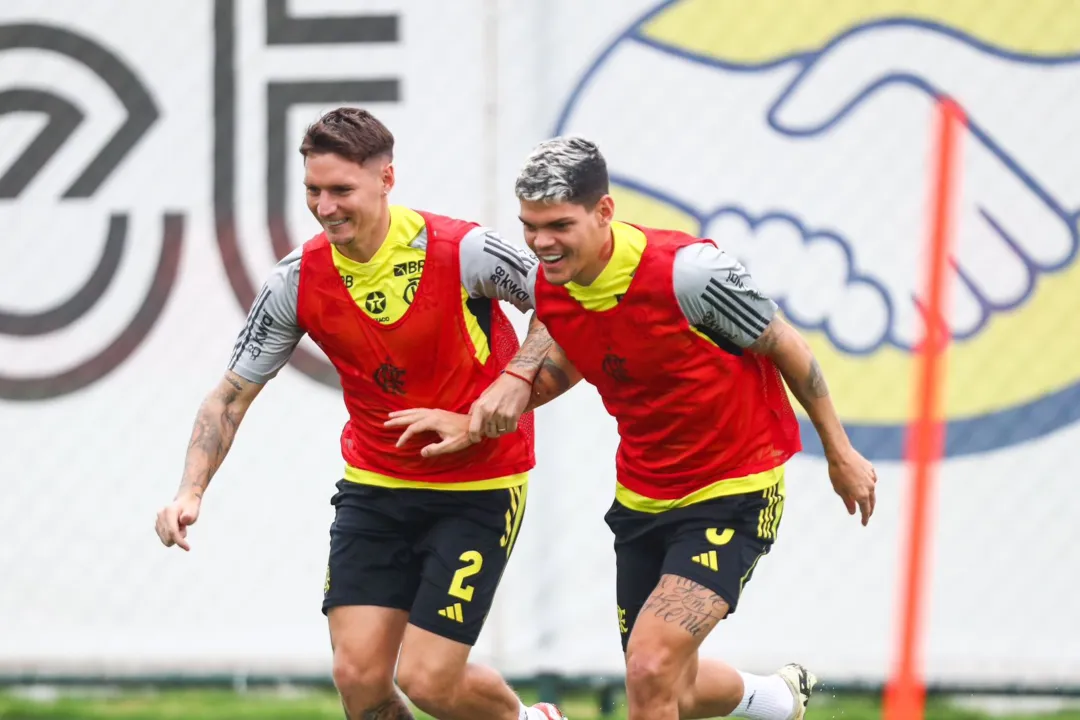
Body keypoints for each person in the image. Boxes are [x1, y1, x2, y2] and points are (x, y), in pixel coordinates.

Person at [392, 136, 878, 720]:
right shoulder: (556, 284)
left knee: (650, 668)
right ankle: (773, 700)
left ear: (603, 212)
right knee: (671, 683)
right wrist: (477, 419)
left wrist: (839, 451)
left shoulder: (690, 273)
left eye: (559, 225)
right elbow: (571, 360)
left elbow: (789, 347)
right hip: (642, 496)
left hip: (733, 489)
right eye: (529, 225)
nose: (541, 243)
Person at [153, 107, 567, 720]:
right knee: (358, 678)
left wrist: (511, 383)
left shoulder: (465, 250)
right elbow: (230, 395)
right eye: (313, 191)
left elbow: (564, 302)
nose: (324, 207)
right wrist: (190, 490)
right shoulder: (296, 279)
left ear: (386, 179)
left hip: (478, 487)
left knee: (427, 680)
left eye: (341, 190)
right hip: (376, 486)